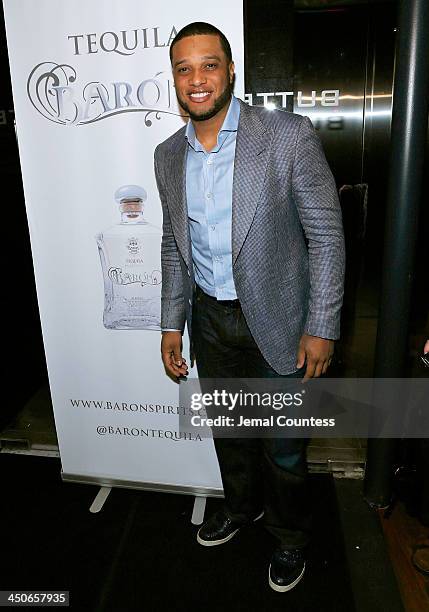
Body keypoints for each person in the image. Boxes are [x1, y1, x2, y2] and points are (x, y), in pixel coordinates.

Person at [154, 22, 345, 592]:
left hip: (283, 321)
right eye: (184, 69)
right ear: (174, 79)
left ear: (231, 70)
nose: (197, 79)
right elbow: (173, 243)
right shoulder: (167, 155)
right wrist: (172, 323)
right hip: (211, 320)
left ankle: (290, 540)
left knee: (283, 447)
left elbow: (327, 238)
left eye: (208, 65)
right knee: (231, 434)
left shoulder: (287, 136)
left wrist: (322, 324)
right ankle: (242, 509)